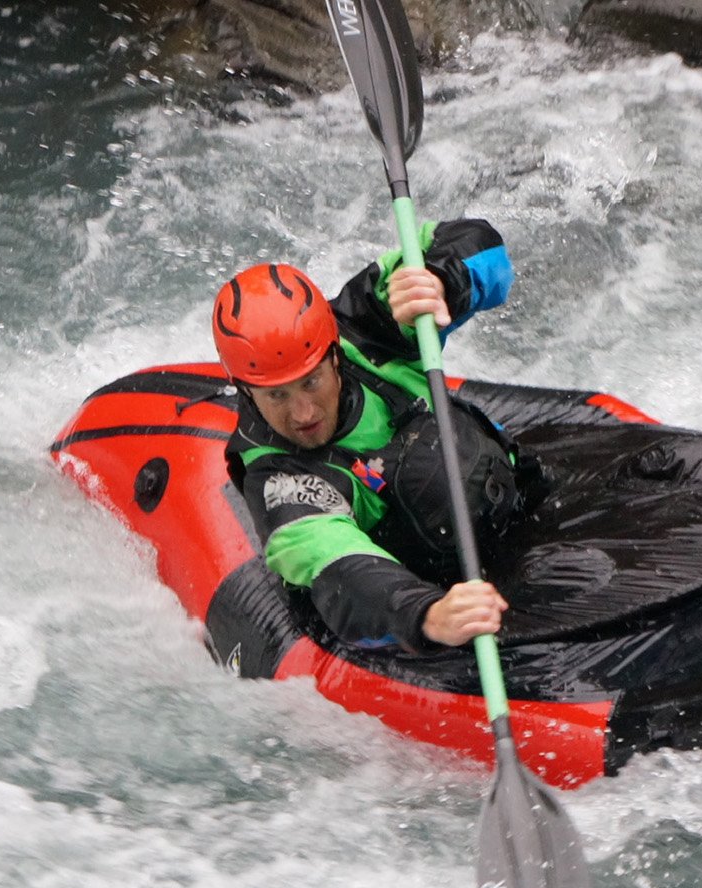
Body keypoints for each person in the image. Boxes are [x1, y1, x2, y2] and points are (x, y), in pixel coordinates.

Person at [214, 219, 519, 653]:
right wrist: (427, 613)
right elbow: (342, 568)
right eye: (276, 395)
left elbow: (486, 247)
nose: (302, 413)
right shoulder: (278, 481)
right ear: (243, 388)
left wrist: (443, 279)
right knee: (426, 471)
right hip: (438, 580)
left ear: (333, 355)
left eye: (312, 382)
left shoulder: (366, 323)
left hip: (506, 488)